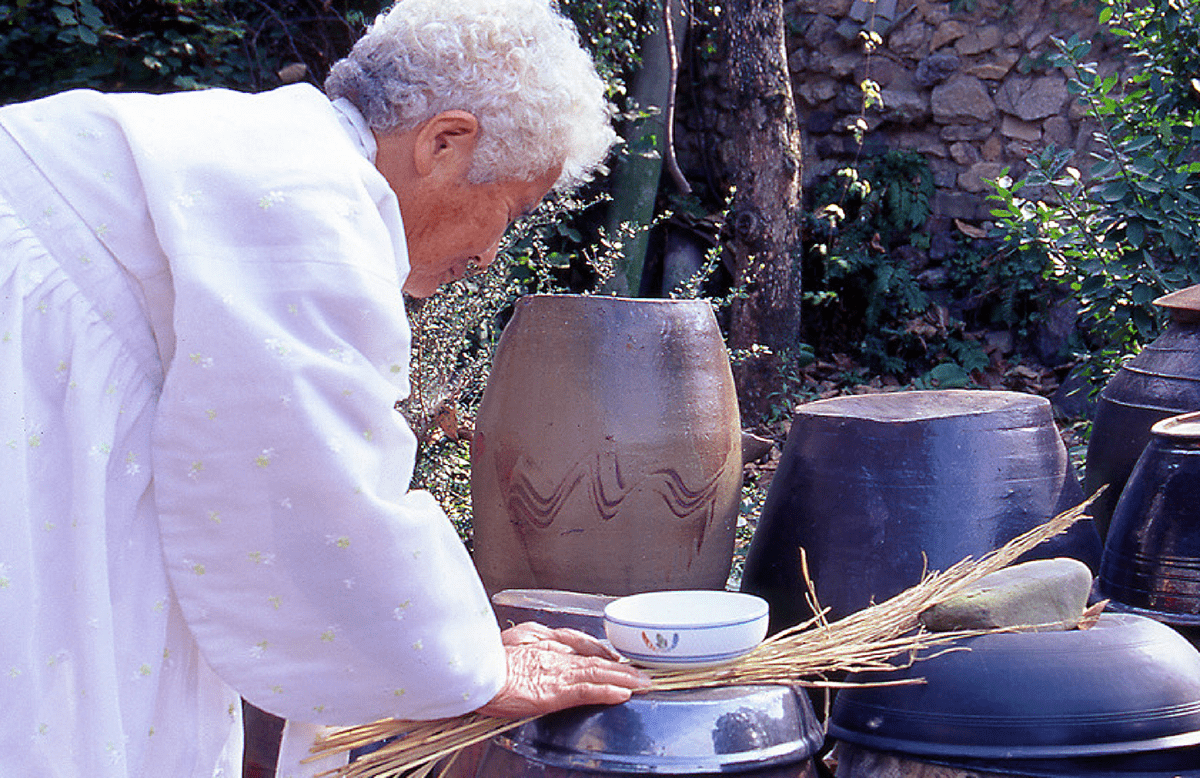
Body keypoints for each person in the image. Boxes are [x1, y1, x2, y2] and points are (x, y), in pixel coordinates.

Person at [0, 0, 650, 776]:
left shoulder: (268, 154)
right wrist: (467, 664)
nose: (490, 252)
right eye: (511, 210)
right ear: (444, 142)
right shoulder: (308, 205)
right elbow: (314, 492)